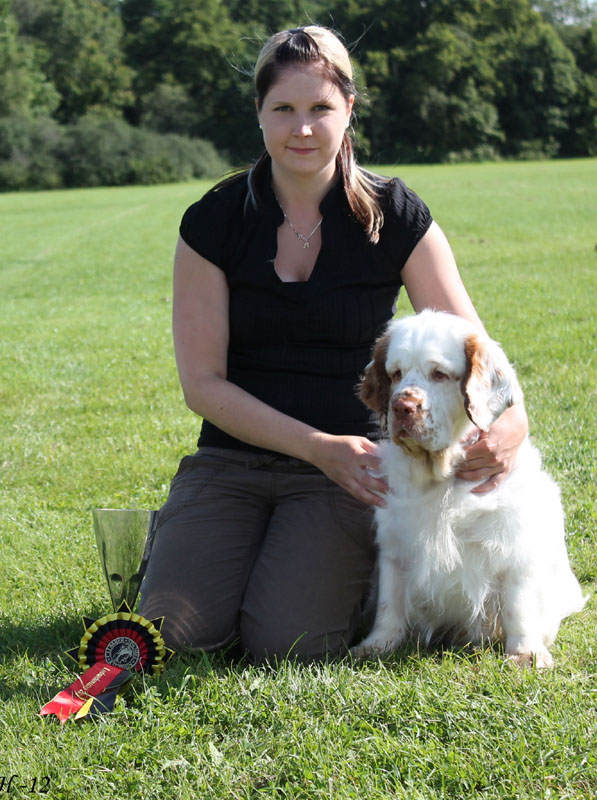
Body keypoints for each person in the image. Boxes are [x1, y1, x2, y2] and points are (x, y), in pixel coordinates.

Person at [138, 25, 528, 662]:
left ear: (349, 109)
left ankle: (271, 569)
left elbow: (473, 338)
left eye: (321, 108)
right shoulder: (212, 220)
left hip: (349, 474)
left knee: (286, 641)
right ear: (258, 114)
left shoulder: (395, 213)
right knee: (175, 636)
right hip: (233, 462)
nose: (303, 129)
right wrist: (315, 446)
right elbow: (202, 385)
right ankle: (188, 542)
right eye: (283, 109)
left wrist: (515, 420)